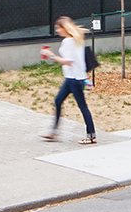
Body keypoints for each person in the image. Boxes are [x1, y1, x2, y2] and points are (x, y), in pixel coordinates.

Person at [40, 16, 97, 144]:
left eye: (58, 28)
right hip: (75, 78)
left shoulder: (68, 42)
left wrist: (51, 55)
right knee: (58, 100)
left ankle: (91, 135)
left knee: (82, 106)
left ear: (65, 28)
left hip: (74, 79)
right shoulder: (76, 39)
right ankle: (54, 132)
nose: (57, 31)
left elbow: (68, 61)